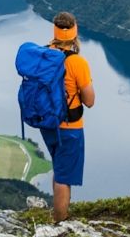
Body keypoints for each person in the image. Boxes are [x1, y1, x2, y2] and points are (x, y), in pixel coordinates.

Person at [39, 11, 93, 223]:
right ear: (74, 33)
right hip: (70, 126)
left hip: (47, 123)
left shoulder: (44, 54)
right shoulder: (77, 62)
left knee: (59, 167)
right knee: (64, 177)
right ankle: (59, 224)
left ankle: (57, 216)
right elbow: (89, 100)